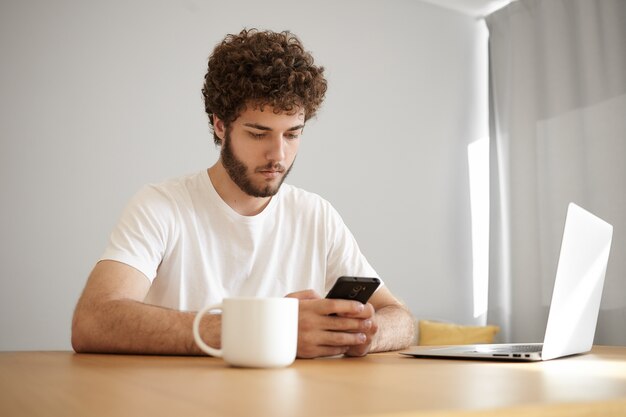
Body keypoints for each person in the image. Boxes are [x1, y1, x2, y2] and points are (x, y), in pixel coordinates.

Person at [71, 28, 415, 358]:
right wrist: (266, 330)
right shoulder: (161, 206)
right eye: (258, 133)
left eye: (292, 134)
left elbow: (400, 318)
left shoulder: (316, 215)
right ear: (221, 126)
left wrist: (364, 336)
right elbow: (93, 321)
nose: (278, 155)